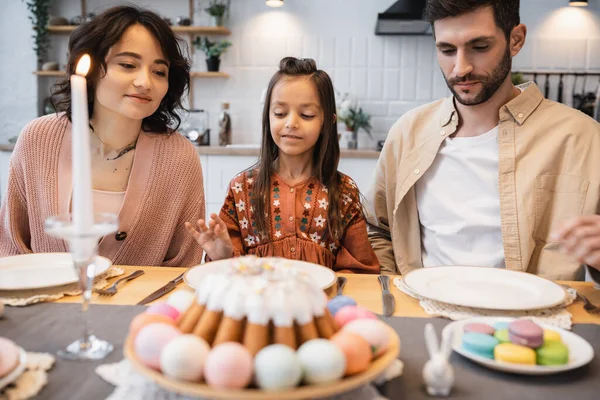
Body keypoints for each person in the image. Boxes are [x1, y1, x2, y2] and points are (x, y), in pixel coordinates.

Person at [366, 0, 600, 280]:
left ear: (516, 40)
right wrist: (393, 288)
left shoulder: (583, 139)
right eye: (447, 50)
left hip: (529, 320)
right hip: (424, 314)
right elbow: (377, 229)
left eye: (479, 47)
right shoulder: (408, 132)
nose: (461, 68)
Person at [0, 6, 205, 267]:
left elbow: (182, 266)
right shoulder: (38, 139)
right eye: (128, 65)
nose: (145, 82)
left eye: (159, 71)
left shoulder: (179, 156)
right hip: (46, 305)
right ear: (93, 69)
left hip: (142, 307)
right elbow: (10, 248)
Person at [186, 57, 379, 273]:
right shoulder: (242, 188)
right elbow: (228, 270)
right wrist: (222, 255)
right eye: (280, 113)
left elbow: (361, 271)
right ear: (267, 117)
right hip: (257, 305)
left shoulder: (343, 190)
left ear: (327, 122)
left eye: (307, 115)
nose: (291, 123)